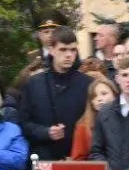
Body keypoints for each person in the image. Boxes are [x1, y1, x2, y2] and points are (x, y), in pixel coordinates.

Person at [16, 26, 93, 162]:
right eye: (63, 49)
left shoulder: (87, 84)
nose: (68, 55)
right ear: (51, 50)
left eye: (72, 50)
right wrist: (45, 132)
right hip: (44, 160)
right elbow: (23, 123)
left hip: (78, 160)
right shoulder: (35, 84)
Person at [71, 76, 118, 161]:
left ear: (114, 95)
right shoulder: (83, 126)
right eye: (94, 96)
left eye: (104, 93)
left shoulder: (125, 119)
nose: (99, 99)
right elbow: (78, 159)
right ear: (91, 102)